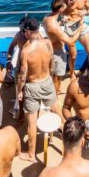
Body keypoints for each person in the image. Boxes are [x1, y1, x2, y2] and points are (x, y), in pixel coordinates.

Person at [17, 17, 63, 162]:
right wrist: (50, 78)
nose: (24, 33)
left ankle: (31, 154)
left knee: (32, 122)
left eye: (25, 31)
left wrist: (19, 90)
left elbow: (23, 75)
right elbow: (52, 65)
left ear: (29, 32)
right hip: (47, 81)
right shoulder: (48, 43)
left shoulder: (25, 51)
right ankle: (71, 137)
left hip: (32, 86)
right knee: (57, 111)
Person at [42, 0, 82, 94]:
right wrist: (80, 27)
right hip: (58, 54)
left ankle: (57, 89)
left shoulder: (47, 17)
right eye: (64, 6)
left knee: (53, 74)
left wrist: (62, 22)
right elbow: (71, 42)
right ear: (60, 9)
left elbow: (53, 28)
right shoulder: (54, 26)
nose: (66, 8)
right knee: (57, 77)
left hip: (52, 49)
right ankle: (55, 94)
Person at [61, 0, 89, 77]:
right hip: (70, 27)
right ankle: (72, 74)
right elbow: (61, 12)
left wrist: (85, 12)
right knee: (73, 55)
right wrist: (67, 8)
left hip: (81, 25)